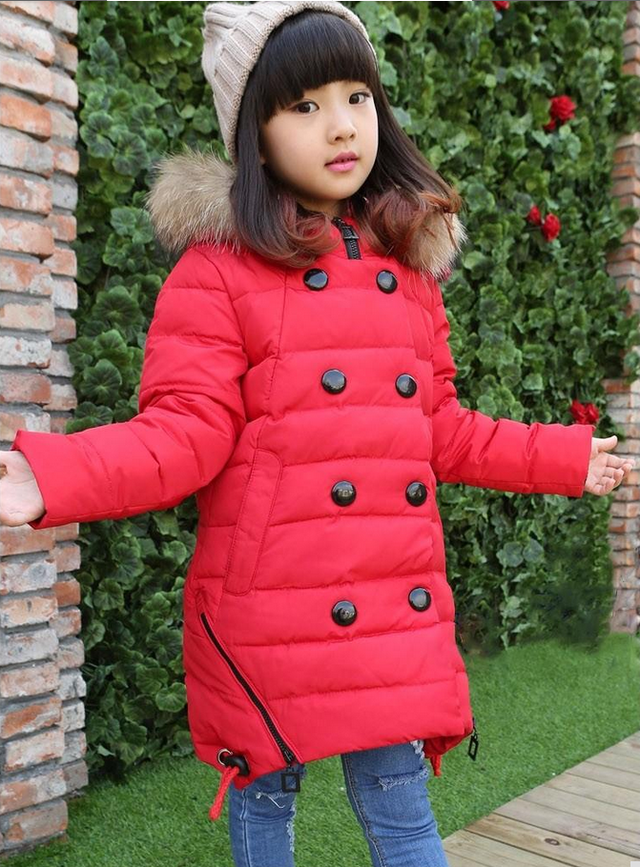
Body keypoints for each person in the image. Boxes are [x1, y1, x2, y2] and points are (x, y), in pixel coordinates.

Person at [0, 2, 634, 865]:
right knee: (266, 803)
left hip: (390, 601)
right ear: (255, 136)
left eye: (356, 97)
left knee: (405, 813)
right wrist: (53, 475)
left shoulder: (408, 267)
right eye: (304, 105)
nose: (341, 125)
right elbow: (182, 435)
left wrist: (562, 456)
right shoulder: (216, 272)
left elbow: (441, 430)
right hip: (268, 609)